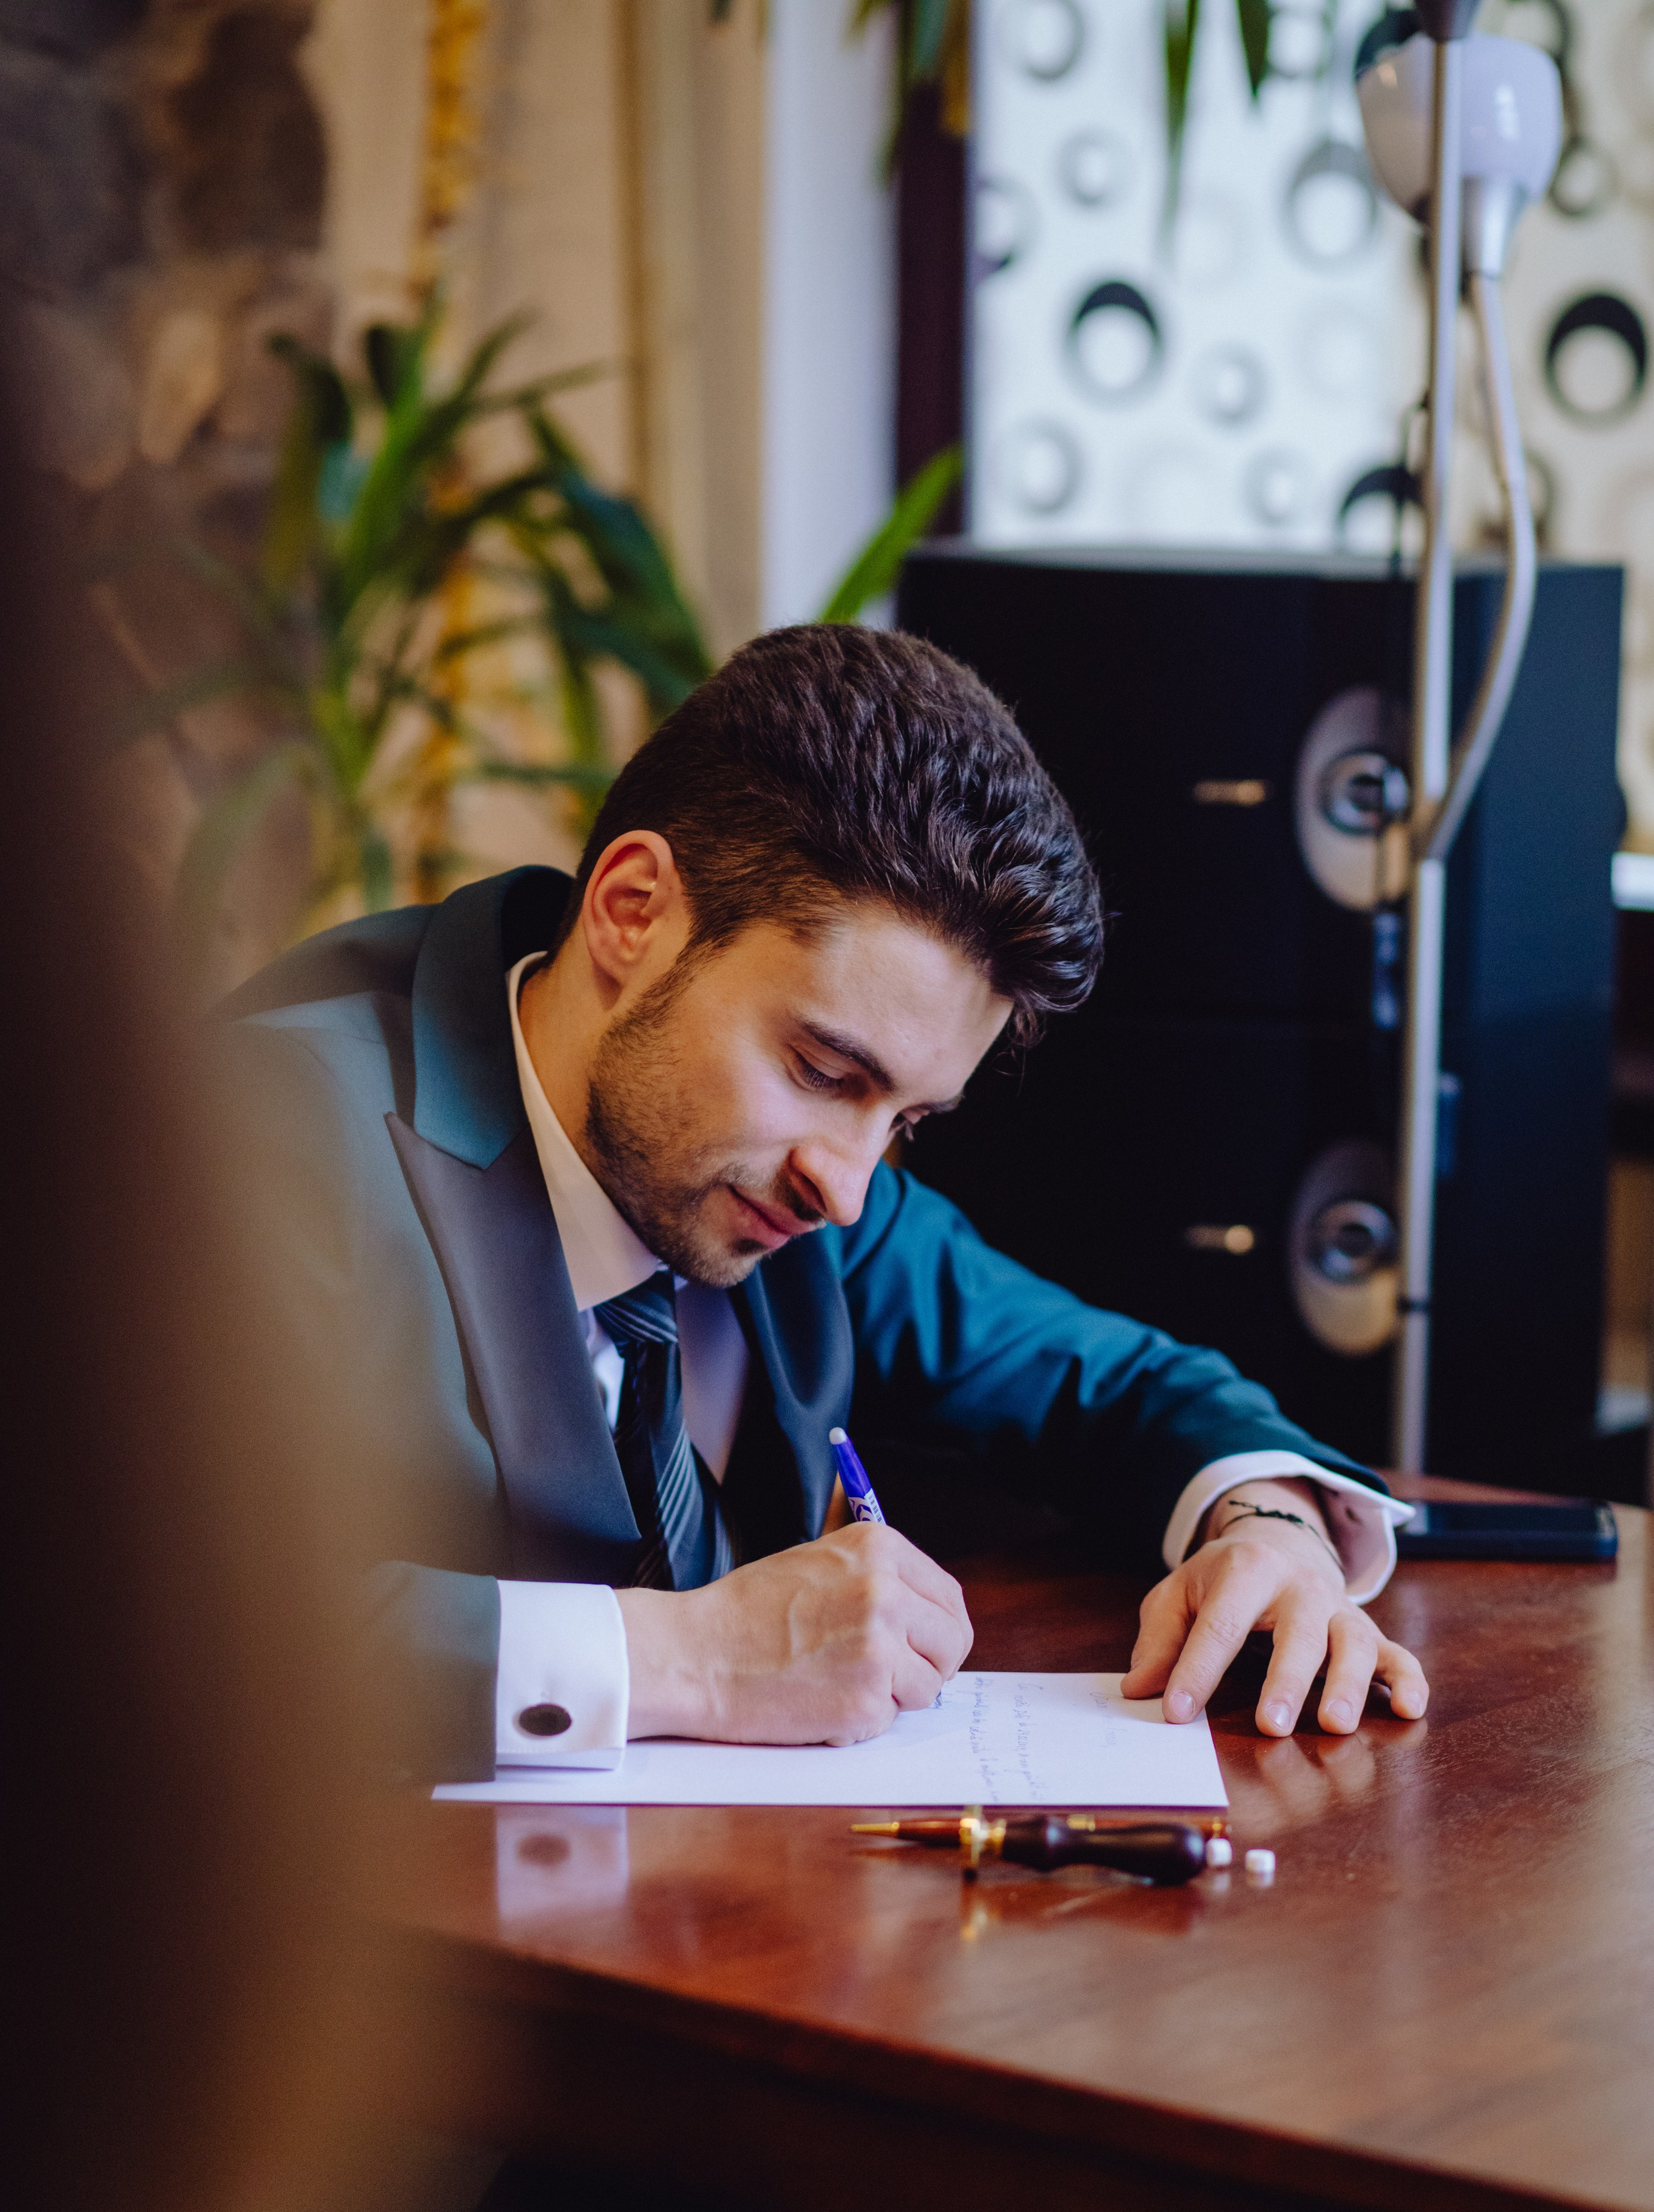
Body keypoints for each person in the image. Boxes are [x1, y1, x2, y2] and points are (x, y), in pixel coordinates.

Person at [222, 622, 1428, 1782]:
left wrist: (1270, 1526)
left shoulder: (801, 1193)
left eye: (905, 1121)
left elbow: (1113, 1381)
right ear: (633, 912)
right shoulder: (266, 1137)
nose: (848, 1191)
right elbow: (115, 1620)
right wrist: (693, 1658)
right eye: (821, 1072)